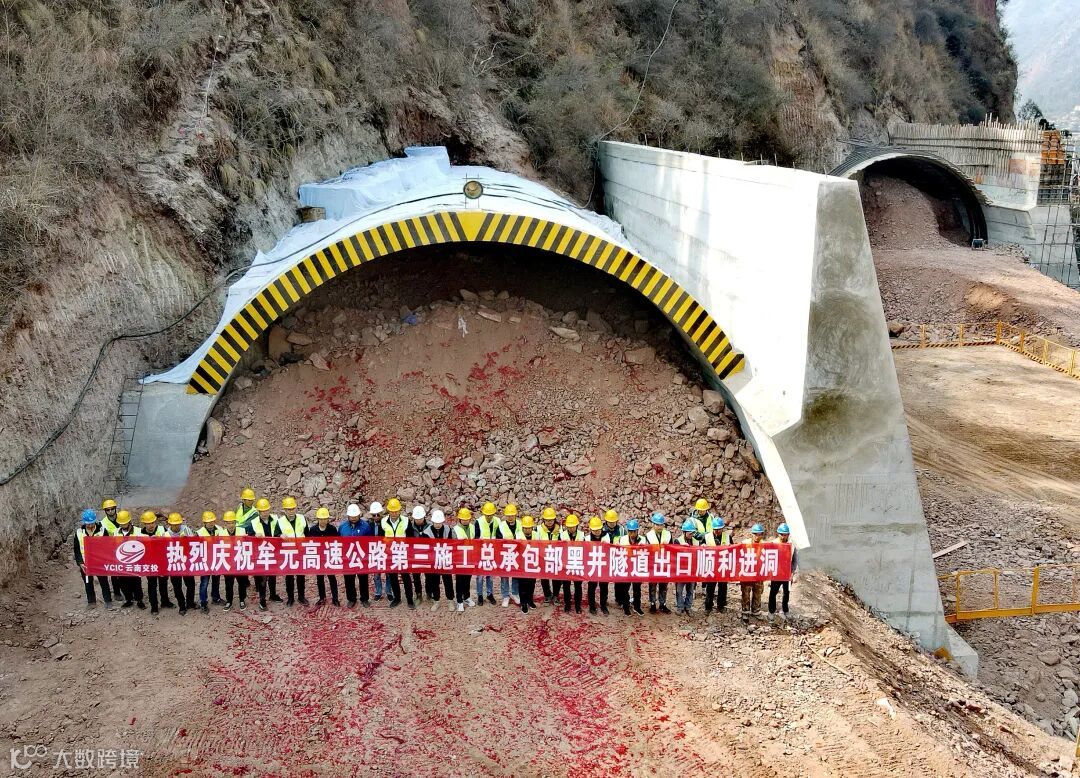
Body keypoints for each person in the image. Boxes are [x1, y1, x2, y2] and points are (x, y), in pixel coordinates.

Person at [74, 509, 113, 609]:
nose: (90, 525)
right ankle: (91, 601)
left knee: (103, 581)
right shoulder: (79, 533)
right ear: (84, 522)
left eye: (92, 523)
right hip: (85, 563)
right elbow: (77, 549)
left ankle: (108, 600)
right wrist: (80, 563)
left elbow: (107, 546)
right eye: (88, 524)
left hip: (99, 561)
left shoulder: (102, 531)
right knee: (88, 582)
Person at [135, 511, 172, 613]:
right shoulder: (140, 534)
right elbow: (138, 549)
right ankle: (154, 606)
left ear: (155, 522)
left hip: (162, 561)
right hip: (149, 563)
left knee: (163, 582)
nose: (151, 525)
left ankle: (165, 601)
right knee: (152, 585)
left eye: (152, 522)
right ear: (144, 523)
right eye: (148, 523)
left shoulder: (162, 529)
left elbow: (169, 542)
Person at [249, 498, 283, 610]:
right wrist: (254, 536)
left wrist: (280, 535)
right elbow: (248, 536)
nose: (265, 513)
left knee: (272, 575)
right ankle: (262, 600)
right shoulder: (254, 522)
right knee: (262, 578)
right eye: (262, 511)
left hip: (273, 552)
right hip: (261, 553)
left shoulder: (275, 519)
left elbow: (278, 532)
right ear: (259, 511)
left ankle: (273, 595)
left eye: (266, 510)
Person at [275, 496, 308, 606]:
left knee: (301, 575)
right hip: (288, 552)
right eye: (288, 509)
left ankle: (301, 597)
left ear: (295, 508)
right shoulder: (280, 522)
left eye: (292, 508)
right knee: (289, 576)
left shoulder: (302, 518)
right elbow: (275, 535)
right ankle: (290, 598)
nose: (291, 511)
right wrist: (280, 535)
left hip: (300, 551)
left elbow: (307, 534)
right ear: (284, 510)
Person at [381, 497, 414, 609]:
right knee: (393, 577)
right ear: (388, 510)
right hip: (389, 553)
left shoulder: (406, 521)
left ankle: (410, 599)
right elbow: (380, 538)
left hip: (402, 552)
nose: (394, 513)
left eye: (396, 511)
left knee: (406, 576)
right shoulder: (383, 521)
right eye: (392, 511)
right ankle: (397, 598)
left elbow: (410, 538)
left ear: (399, 510)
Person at [338, 503, 372, 607]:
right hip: (347, 558)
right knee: (349, 579)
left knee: (363, 579)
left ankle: (364, 598)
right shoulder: (342, 527)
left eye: (355, 516)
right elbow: (338, 542)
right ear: (348, 516)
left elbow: (370, 542)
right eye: (351, 516)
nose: (353, 518)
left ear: (359, 515)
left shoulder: (366, 526)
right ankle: (351, 599)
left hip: (362, 557)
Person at [110, 510, 145, 608]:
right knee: (123, 582)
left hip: (135, 560)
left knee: (136, 582)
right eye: (121, 523)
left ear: (129, 521)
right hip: (121, 561)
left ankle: (139, 600)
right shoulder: (116, 532)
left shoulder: (138, 531)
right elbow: (113, 545)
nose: (123, 525)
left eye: (125, 523)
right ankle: (128, 599)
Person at [163, 512, 196, 615]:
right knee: (177, 586)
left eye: (178, 524)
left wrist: (188, 539)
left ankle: (190, 602)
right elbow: (163, 550)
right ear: (169, 524)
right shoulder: (166, 535)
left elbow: (194, 543)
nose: (176, 526)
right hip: (174, 563)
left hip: (186, 562)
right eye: (174, 524)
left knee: (190, 584)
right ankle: (182, 606)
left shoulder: (186, 530)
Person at [307, 507, 340, 606]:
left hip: (329, 557)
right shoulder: (313, 530)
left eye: (325, 519)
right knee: (320, 579)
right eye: (321, 519)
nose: (323, 521)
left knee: (332, 578)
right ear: (317, 519)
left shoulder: (332, 529)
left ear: (328, 519)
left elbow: (337, 543)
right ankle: (322, 598)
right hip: (319, 558)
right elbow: (310, 543)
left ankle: (335, 598)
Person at [196, 511, 227, 613]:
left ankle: (215, 597)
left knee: (216, 580)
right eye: (208, 522)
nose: (211, 523)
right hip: (205, 561)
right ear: (204, 522)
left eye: (212, 521)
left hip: (216, 559)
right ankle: (203, 603)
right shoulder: (199, 533)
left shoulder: (220, 529)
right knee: (204, 582)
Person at [426, 510, 456, 610]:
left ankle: (450, 600)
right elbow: (426, 548)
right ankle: (436, 601)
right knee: (434, 582)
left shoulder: (448, 529)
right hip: (434, 561)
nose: (438, 524)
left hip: (445, 559)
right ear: (432, 521)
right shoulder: (427, 532)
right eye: (436, 522)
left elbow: (451, 544)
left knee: (448, 581)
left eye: (439, 522)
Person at [768, 523, 797, 624]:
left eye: (785, 534)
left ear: (788, 534)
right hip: (776, 573)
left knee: (786, 593)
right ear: (778, 534)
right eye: (781, 534)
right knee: (773, 593)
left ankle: (785, 609)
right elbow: (770, 558)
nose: (783, 536)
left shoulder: (792, 544)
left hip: (787, 574)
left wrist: (792, 573)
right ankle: (771, 611)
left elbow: (794, 560)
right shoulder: (774, 543)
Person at [703, 516, 733, 613]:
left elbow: (732, 550)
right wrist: (703, 546)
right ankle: (708, 606)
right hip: (711, 566)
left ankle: (721, 605)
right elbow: (700, 550)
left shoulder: (728, 537)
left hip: (723, 565)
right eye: (715, 529)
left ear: (722, 528)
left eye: (719, 529)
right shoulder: (707, 537)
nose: (717, 531)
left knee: (723, 587)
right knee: (710, 587)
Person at [615, 520, 645, 616]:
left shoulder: (643, 540)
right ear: (628, 531)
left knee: (637, 589)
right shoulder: (622, 539)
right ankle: (626, 606)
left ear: (637, 531)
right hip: (626, 566)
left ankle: (637, 607)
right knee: (625, 588)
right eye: (630, 531)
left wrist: (643, 548)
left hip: (637, 566)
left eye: (634, 531)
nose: (632, 534)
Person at [220, 510, 248, 610]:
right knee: (228, 583)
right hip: (228, 562)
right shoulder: (221, 533)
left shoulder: (242, 531)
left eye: (232, 522)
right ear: (225, 524)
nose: (231, 525)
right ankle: (229, 601)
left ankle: (242, 600)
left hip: (240, 561)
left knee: (242, 582)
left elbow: (247, 545)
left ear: (235, 522)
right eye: (228, 523)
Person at [645, 512, 672, 614]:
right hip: (653, 564)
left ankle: (662, 604)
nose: (659, 527)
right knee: (652, 585)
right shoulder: (648, 536)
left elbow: (673, 549)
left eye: (661, 525)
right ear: (653, 524)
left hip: (664, 563)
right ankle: (652, 604)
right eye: (657, 525)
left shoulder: (668, 534)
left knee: (663, 585)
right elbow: (646, 550)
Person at [740, 523, 767, 623]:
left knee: (758, 592)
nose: (757, 536)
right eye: (755, 534)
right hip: (747, 572)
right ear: (752, 534)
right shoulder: (745, 543)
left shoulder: (765, 545)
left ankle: (756, 611)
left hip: (758, 573)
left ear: (762, 535)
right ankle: (745, 611)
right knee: (746, 593)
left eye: (759, 534)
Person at [452, 507, 478, 611]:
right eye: (464, 519)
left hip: (470, 558)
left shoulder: (472, 527)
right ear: (460, 519)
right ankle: (459, 601)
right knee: (459, 580)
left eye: (467, 519)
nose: (466, 521)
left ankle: (466, 597)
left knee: (468, 579)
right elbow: (453, 545)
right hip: (459, 559)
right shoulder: (455, 530)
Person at [674, 520, 701, 614]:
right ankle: (680, 607)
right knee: (679, 590)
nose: (691, 535)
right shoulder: (678, 541)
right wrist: (682, 548)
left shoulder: (696, 542)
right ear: (684, 532)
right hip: (681, 570)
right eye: (690, 533)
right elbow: (674, 555)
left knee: (690, 590)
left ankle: (688, 607)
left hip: (692, 570)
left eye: (693, 533)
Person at [560, 514, 584, 613]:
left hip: (578, 564)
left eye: (573, 526)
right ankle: (567, 605)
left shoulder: (582, 535)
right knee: (566, 586)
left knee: (578, 586)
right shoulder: (562, 535)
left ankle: (578, 606)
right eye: (569, 527)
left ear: (577, 526)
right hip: (566, 564)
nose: (571, 528)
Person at [497, 504, 521, 607]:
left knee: (516, 574)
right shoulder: (501, 526)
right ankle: (505, 596)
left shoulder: (520, 524)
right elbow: (498, 541)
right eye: (508, 515)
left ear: (515, 515)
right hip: (505, 554)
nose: (510, 517)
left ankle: (515, 593)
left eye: (512, 515)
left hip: (517, 553)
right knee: (504, 576)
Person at [475, 502, 498, 606]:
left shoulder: (497, 521)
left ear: (493, 513)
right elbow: (476, 538)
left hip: (491, 551)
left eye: (490, 514)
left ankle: (490, 594)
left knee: (490, 575)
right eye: (487, 515)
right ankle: (480, 595)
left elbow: (499, 536)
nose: (488, 516)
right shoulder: (478, 522)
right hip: (481, 552)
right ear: (483, 513)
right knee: (480, 576)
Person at [537, 506, 562, 605]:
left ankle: (555, 595)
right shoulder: (538, 529)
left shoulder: (560, 530)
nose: (549, 522)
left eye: (551, 520)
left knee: (557, 577)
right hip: (543, 557)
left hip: (556, 557)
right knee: (544, 577)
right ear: (544, 520)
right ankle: (547, 595)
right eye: (547, 520)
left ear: (554, 519)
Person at [515, 516, 539, 613]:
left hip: (533, 563)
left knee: (532, 583)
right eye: (525, 528)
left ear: (532, 527)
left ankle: (530, 600)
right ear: (522, 528)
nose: (527, 530)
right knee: (522, 584)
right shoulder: (518, 536)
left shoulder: (536, 535)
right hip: (522, 563)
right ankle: (523, 603)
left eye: (529, 528)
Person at [586, 516, 610, 615]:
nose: (597, 532)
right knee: (592, 587)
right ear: (591, 529)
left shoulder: (606, 536)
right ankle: (592, 606)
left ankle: (603, 605)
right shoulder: (587, 538)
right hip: (592, 565)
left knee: (604, 587)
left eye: (598, 530)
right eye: (594, 530)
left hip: (604, 565)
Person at [100, 499, 124, 598]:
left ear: (115, 508)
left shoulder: (123, 518)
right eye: (108, 510)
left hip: (124, 548)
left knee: (126, 570)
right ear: (105, 511)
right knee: (114, 572)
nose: (110, 511)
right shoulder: (103, 523)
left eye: (112, 509)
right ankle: (117, 592)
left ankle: (128, 591)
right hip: (112, 550)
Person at [405, 505, 429, 602]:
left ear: (424, 517)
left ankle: (429, 593)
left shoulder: (429, 526)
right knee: (416, 577)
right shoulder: (410, 527)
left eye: (420, 518)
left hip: (427, 555)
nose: (418, 520)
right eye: (417, 519)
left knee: (428, 575)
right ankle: (418, 594)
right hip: (415, 555)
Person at [369, 501, 387, 601]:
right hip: (374, 551)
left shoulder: (386, 524)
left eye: (378, 515)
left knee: (388, 573)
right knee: (376, 574)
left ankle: (389, 592)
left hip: (386, 551)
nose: (376, 517)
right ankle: (378, 592)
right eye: (374, 515)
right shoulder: (369, 525)